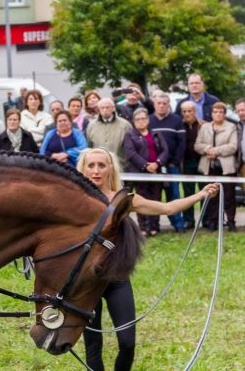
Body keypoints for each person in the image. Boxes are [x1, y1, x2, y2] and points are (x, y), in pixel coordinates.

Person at [78, 147, 218, 371]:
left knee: (127, 343)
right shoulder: (74, 200)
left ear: (110, 169)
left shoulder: (123, 199)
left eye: (101, 165)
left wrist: (201, 195)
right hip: (86, 281)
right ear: (83, 168)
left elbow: (167, 208)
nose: (95, 171)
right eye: (91, 165)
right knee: (93, 345)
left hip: (117, 279)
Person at [124, 108, 168, 237]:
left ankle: (154, 226)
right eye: (137, 120)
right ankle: (142, 227)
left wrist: (157, 164)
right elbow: (130, 153)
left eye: (143, 119)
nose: (141, 122)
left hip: (156, 172)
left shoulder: (156, 134)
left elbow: (165, 151)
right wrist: (145, 166)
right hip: (139, 173)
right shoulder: (130, 135)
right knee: (141, 200)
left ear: (148, 120)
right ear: (134, 121)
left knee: (156, 199)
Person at [195, 102, 238, 232]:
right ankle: (213, 222)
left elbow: (233, 146)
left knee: (229, 196)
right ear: (212, 113)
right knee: (212, 195)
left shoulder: (231, 127)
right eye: (215, 111)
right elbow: (197, 145)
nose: (218, 114)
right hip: (209, 166)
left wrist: (216, 151)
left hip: (226, 167)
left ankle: (230, 221)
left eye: (221, 112)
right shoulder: (204, 127)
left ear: (224, 114)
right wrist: (208, 149)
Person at [149, 94, 186, 232]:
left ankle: (178, 224)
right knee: (155, 196)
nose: (162, 105)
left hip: (171, 165)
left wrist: (175, 161)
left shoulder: (176, 120)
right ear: (154, 105)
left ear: (168, 104)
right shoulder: (149, 121)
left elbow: (182, 143)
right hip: (154, 167)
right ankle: (154, 226)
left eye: (164, 103)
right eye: (159, 103)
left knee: (174, 195)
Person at [86, 97, 132, 168]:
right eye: (102, 108)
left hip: (119, 166)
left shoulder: (125, 125)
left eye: (107, 107)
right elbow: (89, 146)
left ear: (113, 108)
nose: (105, 110)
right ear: (99, 109)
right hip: (98, 167)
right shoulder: (91, 126)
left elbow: (129, 147)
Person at [180, 101, 203, 229]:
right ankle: (188, 220)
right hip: (186, 163)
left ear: (195, 111)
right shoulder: (180, 125)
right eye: (184, 111)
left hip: (201, 162)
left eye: (190, 111)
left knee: (204, 191)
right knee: (188, 193)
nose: (187, 113)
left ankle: (205, 219)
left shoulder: (203, 125)